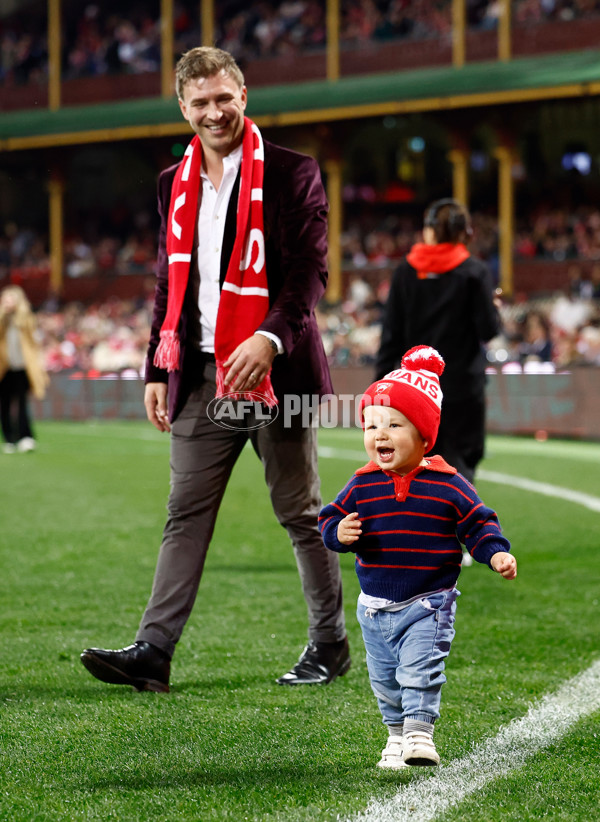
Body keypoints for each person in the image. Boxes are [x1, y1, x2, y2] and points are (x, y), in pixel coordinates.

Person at [80, 46, 349, 692]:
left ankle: (330, 644)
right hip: (200, 376)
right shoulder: (171, 182)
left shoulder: (293, 173)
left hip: (274, 376)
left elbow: (310, 274)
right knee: (185, 513)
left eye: (224, 98)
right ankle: (154, 651)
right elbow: (166, 285)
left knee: (298, 511)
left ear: (244, 95)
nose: (214, 111)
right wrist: (154, 366)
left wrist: (269, 339)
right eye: (200, 102)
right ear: (182, 107)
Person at [319, 345, 517, 770]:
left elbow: (478, 523)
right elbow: (328, 518)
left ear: (424, 435)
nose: (380, 435)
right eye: (372, 425)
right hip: (374, 606)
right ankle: (395, 736)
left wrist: (495, 552)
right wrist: (337, 532)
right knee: (386, 681)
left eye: (394, 424)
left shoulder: (448, 484)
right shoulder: (361, 484)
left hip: (429, 601)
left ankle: (419, 734)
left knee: (421, 671)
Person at [376, 198, 501, 484]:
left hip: (414, 390)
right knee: (460, 470)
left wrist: (381, 388)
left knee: (413, 469)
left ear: (429, 231)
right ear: (464, 233)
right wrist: (493, 308)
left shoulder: (406, 271)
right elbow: (488, 330)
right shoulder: (474, 272)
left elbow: (390, 336)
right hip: (461, 390)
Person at [0, 285, 48, 453]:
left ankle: (25, 436)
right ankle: (9, 438)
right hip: (4, 368)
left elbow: (34, 342)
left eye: (9, 299)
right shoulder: (2, 319)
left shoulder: (26, 319)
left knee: (22, 402)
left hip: (22, 368)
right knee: (4, 404)